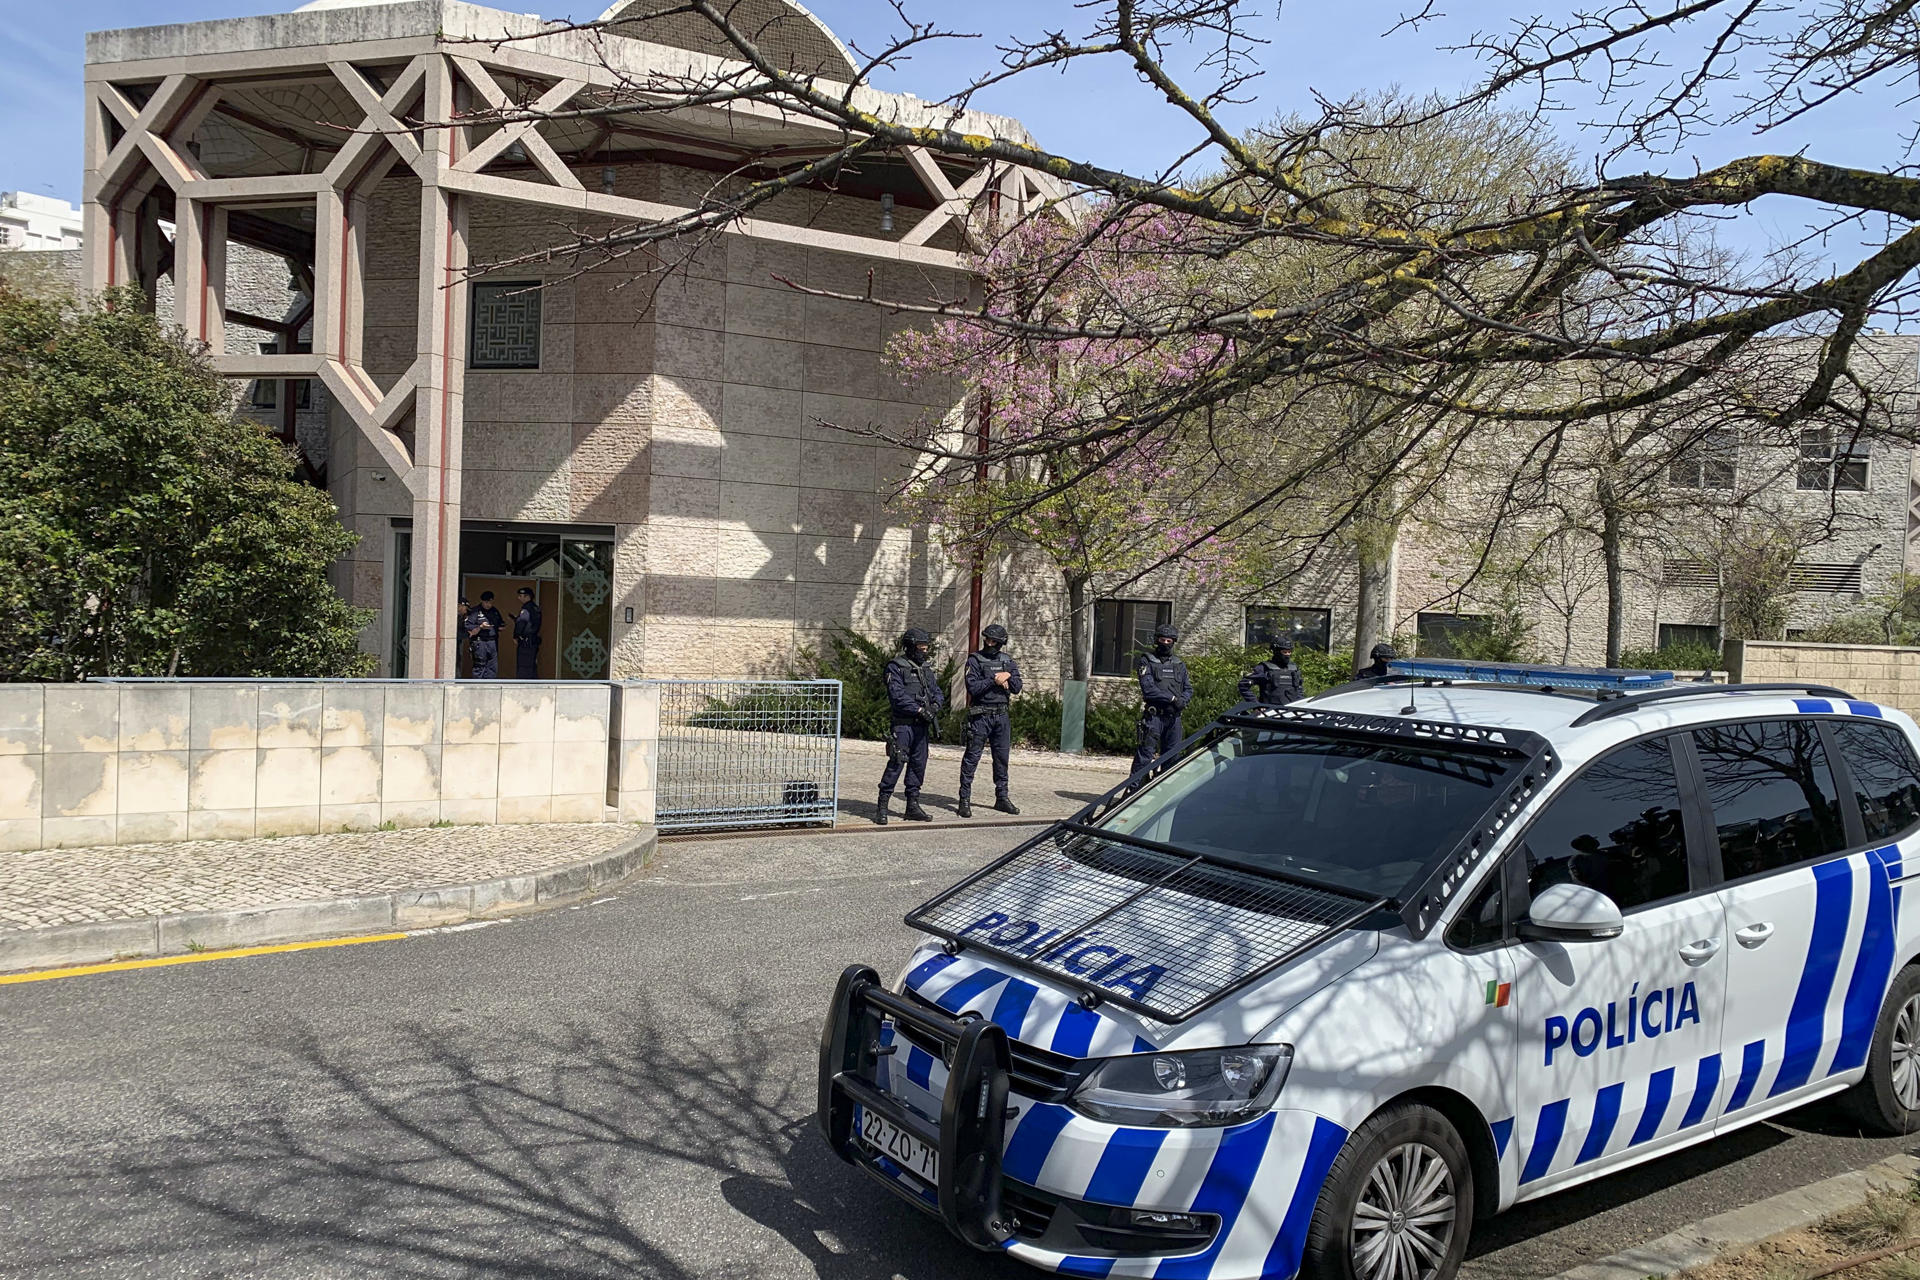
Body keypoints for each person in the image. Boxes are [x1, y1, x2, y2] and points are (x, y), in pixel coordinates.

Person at [876, 627, 944, 824]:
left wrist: (935, 706)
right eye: (921, 648)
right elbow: (897, 696)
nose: (924, 651)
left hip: (921, 728)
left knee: (918, 765)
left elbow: (937, 691)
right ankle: (882, 805)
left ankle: (912, 805)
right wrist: (919, 710)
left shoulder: (925, 669)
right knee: (897, 761)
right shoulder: (895, 667)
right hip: (903, 726)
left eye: (926, 648)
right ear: (910, 647)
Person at [958, 623, 1023, 818]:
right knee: (972, 758)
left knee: (1002, 759)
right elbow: (973, 688)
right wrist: (994, 680)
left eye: (993, 640)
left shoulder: (1007, 661)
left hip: (1001, 716)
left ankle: (1001, 797)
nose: (989, 642)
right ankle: (964, 799)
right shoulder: (975, 660)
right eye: (987, 639)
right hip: (981, 715)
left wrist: (1008, 676)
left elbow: (1017, 687)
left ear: (1001, 643)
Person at [1132, 622, 1192, 776]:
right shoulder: (1147, 661)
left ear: (1173, 642)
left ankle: (1163, 795)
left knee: (1172, 759)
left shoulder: (1179, 664)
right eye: (1162, 640)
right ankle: (1133, 793)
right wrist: (1172, 698)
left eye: (1169, 641)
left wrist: (1182, 701)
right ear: (1156, 640)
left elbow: (1188, 689)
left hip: (1174, 718)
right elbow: (1149, 690)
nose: (1165, 643)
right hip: (1154, 718)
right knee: (1144, 758)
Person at [1238, 635, 1306, 706]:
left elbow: (1299, 690)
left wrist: (1300, 706)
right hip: (1270, 713)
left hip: (1291, 712)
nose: (1287, 655)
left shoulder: (1294, 669)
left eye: (1289, 652)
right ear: (1276, 652)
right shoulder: (1264, 668)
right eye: (1284, 652)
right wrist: (1256, 705)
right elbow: (1243, 685)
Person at [466, 590, 504, 680]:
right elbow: (468, 625)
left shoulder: (494, 611)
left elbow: (500, 623)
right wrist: (480, 627)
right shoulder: (475, 611)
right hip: (480, 641)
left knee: (492, 666)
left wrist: (501, 627)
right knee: (480, 665)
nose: (488, 604)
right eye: (486, 602)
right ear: (482, 601)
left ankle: (490, 686)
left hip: (492, 642)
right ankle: (478, 686)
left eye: (490, 602)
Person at [513, 586, 543, 679]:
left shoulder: (526, 609)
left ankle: (522, 688)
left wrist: (516, 636)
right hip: (533, 641)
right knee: (531, 666)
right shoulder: (535, 608)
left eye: (521, 596)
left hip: (526, 642)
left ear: (527, 597)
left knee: (524, 667)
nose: (519, 598)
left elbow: (522, 623)